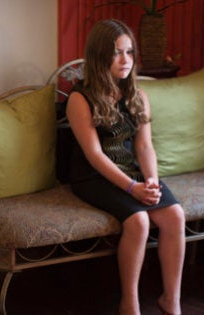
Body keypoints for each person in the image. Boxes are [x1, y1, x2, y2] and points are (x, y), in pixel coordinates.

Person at [66, 19, 185, 315]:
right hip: (94, 176)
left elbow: (144, 147)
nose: (125, 60)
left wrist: (153, 182)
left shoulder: (138, 96)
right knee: (139, 221)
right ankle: (129, 305)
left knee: (175, 215)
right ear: (99, 55)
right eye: (117, 52)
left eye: (130, 52)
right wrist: (134, 188)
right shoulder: (80, 99)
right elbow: (94, 155)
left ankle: (171, 301)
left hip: (131, 169)